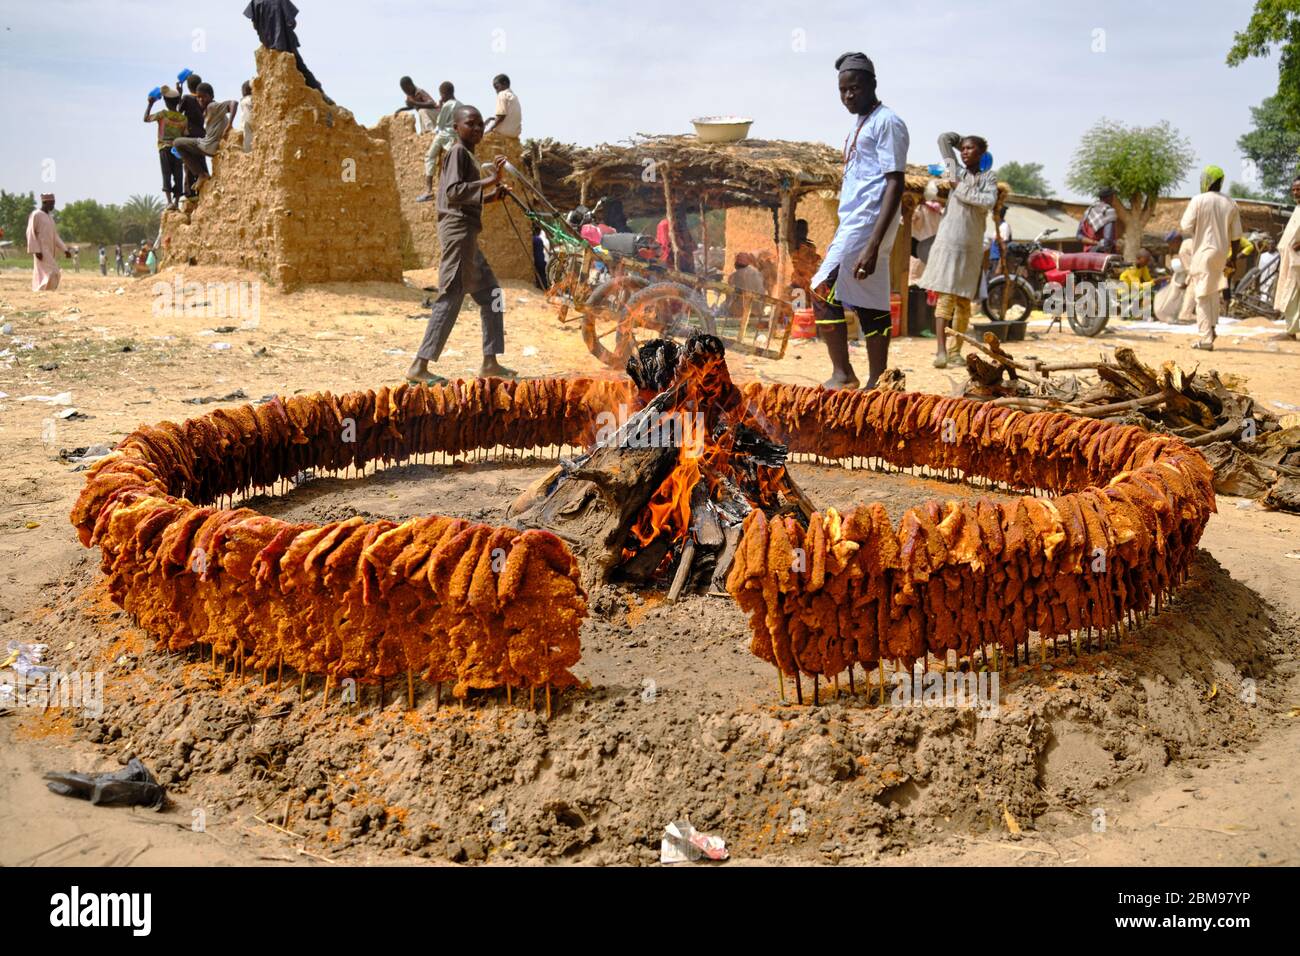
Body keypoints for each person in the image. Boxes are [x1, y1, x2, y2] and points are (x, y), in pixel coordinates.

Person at [810, 53, 908, 390]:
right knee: (869, 299)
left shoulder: (888, 122)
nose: (848, 96)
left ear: (872, 85)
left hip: (868, 222)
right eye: (842, 91)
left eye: (855, 88)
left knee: (822, 288)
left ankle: (843, 373)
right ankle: (878, 381)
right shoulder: (859, 124)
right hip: (855, 220)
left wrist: (873, 243)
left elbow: (895, 182)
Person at [407, 105, 515, 384]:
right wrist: (490, 179)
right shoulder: (456, 152)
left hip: (468, 236)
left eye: (480, 125)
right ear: (457, 127)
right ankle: (419, 367)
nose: (477, 129)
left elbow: (463, 196)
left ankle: (490, 362)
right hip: (458, 234)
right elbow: (454, 192)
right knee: (452, 294)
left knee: (491, 293)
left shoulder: (467, 155)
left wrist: (493, 195)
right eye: (471, 124)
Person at [918, 133, 997, 367]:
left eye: (970, 148)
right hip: (949, 244)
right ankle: (941, 352)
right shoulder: (956, 172)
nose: (964, 151)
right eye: (962, 148)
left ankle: (955, 352)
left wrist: (960, 189)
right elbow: (943, 140)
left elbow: (987, 201)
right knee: (946, 296)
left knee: (963, 302)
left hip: (971, 247)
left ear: (981, 153)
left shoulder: (988, 178)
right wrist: (963, 138)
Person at [1166, 165, 1243, 351]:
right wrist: (1232, 258)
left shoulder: (1198, 200)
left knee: (1201, 296)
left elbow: (1186, 226)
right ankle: (1213, 328)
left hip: (1203, 252)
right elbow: (1236, 236)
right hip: (1221, 254)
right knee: (1213, 293)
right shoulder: (1231, 203)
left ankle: (1205, 339)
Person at [244, 0, 330, 101]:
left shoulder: (255, 2)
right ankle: (321, 94)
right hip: (285, 43)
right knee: (302, 69)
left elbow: (254, 25)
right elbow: (292, 23)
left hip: (268, 46)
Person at [172, 83, 238, 193]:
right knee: (188, 146)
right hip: (208, 144)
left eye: (204, 96)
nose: (201, 99)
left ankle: (201, 174)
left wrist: (229, 124)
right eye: (198, 97)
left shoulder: (212, 106)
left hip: (209, 145)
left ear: (211, 96)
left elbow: (234, 103)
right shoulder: (207, 110)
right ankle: (201, 175)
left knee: (177, 143)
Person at [415, 82, 462, 203]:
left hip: (444, 136)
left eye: (441, 95)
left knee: (429, 157)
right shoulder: (461, 105)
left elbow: (440, 124)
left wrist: (441, 106)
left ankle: (429, 191)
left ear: (444, 94)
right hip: (455, 136)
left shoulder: (448, 105)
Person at [144, 85, 188, 208]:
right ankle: (176, 202)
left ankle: (169, 202)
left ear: (166, 102)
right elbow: (185, 134)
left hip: (164, 148)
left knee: (166, 173)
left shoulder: (163, 114)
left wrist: (150, 104)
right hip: (178, 150)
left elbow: (146, 119)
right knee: (178, 174)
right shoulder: (183, 118)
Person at [27, 193, 71, 291]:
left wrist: (65, 250)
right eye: (51, 203)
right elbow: (30, 233)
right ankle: (42, 290)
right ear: (44, 202)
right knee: (54, 272)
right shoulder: (36, 214)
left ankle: (44, 292)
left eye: (53, 203)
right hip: (41, 250)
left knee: (44, 273)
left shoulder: (50, 217)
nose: (53, 206)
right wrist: (36, 250)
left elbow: (55, 237)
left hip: (49, 250)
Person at [1274, 175, 1300, 339]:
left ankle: (1291, 332)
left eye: (1299, 189)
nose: (1296, 192)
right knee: (1291, 294)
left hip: (1296, 259)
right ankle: (1291, 329)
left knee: (1291, 295)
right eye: (1294, 189)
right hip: (1290, 260)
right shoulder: (1297, 208)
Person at [177, 74, 206, 199]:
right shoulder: (202, 99)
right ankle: (204, 189)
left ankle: (190, 193)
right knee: (200, 159)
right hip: (201, 133)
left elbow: (178, 112)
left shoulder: (187, 98)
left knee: (188, 163)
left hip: (189, 134)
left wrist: (179, 94)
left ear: (188, 87)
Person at [789, 219, 823, 307]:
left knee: (802, 311)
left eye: (804, 230)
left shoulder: (809, 246)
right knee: (798, 310)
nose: (804, 232)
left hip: (805, 284)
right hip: (798, 284)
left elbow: (814, 262)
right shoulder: (794, 247)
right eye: (802, 230)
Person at [1078, 188, 1119, 253]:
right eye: (1112, 197)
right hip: (1101, 254)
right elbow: (1108, 239)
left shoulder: (1088, 211)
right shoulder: (1109, 211)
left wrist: (1095, 243)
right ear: (1108, 198)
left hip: (1087, 254)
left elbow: (1079, 236)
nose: (1113, 199)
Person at [483, 74, 521, 138]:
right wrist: (492, 118)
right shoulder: (514, 96)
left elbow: (501, 115)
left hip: (502, 133)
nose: (496, 91)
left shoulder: (502, 94)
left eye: (497, 87)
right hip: (514, 134)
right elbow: (508, 116)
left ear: (505, 84)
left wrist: (490, 129)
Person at [234, 80, 254, 152]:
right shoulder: (252, 98)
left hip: (247, 121)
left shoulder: (245, 100)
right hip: (253, 121)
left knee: (247, 137)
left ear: (245, 90)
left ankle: (248, 152)